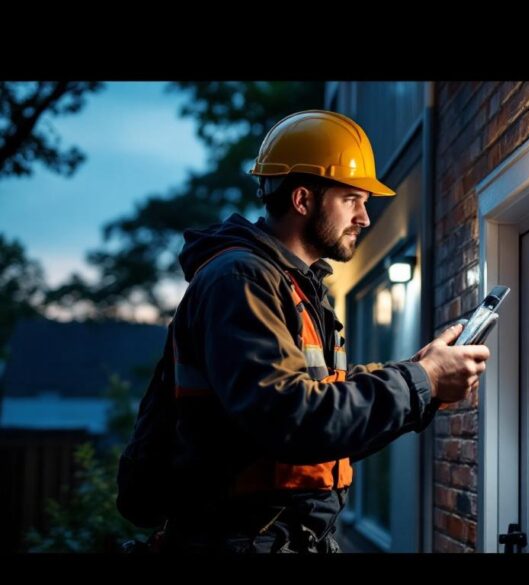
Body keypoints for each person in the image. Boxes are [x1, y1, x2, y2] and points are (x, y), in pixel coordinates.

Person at [140, 110, 489, 553]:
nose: (365, 217)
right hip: (241, 540)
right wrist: (422, 381)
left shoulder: (299, 288)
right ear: (303, 200)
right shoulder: (240, 281)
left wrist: (422, 375)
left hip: (284, 539)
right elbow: (292, 417)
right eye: (352, 199)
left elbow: (328, 414)